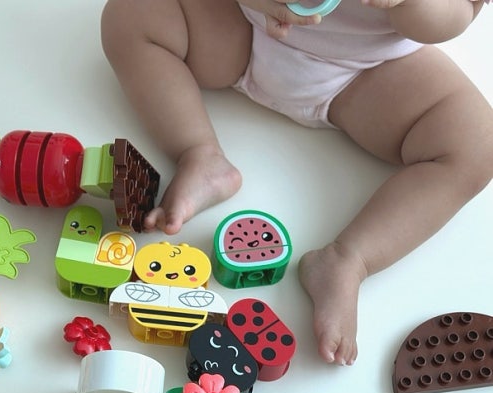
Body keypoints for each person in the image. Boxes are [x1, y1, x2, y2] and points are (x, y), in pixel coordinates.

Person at [100, 0, 493, 365]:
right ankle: (199, 152)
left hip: (367, 70)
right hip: (242, 24)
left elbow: (457, 13)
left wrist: (410, 4)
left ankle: (349, 259)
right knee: (131, 14)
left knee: (477, 145)